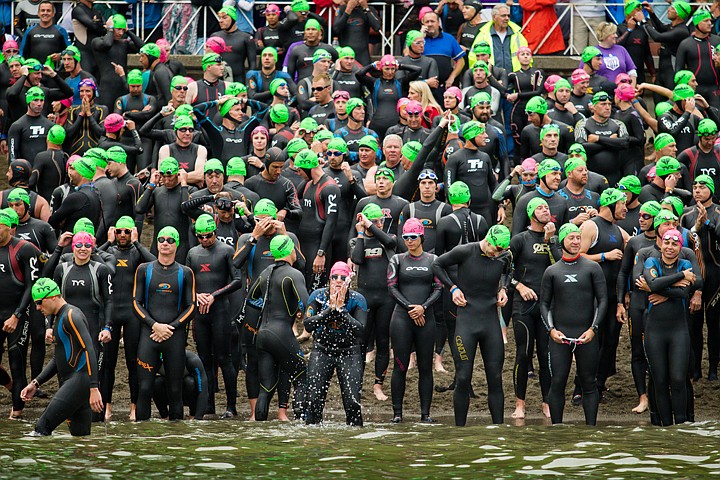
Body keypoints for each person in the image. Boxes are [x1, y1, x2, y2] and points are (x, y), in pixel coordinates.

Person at [433, 225, 512, 426]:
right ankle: (459, 432)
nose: (495, 254)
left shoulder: (504, 256)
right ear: (487, 239)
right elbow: (437, 265)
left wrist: (503, 289)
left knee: (495, 379)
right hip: (466, 324)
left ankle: (499, 432)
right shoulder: (465, 251)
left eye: (500, 252)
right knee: (463, 378)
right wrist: (452, 288)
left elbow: (509, 272)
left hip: (490, 324)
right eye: (494, 249)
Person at [233, 200, 304, 421]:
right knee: (253, 360)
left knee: (282, 358)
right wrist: (254, 236)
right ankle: (255, 412)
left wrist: (285, 232)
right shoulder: (247, 238)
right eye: (259, 220)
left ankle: (282, 411)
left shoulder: (287, 239)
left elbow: (300, 264)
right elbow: (236, 264)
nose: (265, 225)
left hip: (279, 307)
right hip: (255, 310)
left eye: (268, 220)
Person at [540, 223, 608, 425]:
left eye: (578, 238)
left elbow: (603, 301)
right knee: (558, 382)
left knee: (588, 383)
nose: (576, 241)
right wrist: (551, 330)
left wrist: (593, 329)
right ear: (562, 241)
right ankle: (557, 430)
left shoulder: (592, 268)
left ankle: (591, 430)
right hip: (560, 336)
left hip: (586, 334)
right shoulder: (552, 271)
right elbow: (544, 304)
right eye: (571, 238)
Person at [21, 278, 102, 435]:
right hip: (74, 383)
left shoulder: (71, 316)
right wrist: (36, 383)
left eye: (39, 302)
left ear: (52, 296)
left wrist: (94, 388)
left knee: (40, 430)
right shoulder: (60, 317)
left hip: (78, 381)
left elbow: (89, 350)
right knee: (80, 439)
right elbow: (57, 359)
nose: (37, 308)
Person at [133, 226, 196, 421]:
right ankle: (143, 438)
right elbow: (136, 302)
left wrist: (171, 327)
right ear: (156, 243)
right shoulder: (144, 269)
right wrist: (155, 325)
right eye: (161, 240)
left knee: (175, 388)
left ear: (177, 244)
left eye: (170, 240)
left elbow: (191, 306)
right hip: (149, 335)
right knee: (144, 388)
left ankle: (175, 439)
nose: (165, 244)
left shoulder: (185, 272)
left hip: (173, 337)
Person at [97, 217, 155, 421]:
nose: (122, 235)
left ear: (133, 233)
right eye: (119, 231)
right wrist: (108, 241)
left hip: (131, 315)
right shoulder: (108, 252)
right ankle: (107, 407)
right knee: (108, 365)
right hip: (112, 313)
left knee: (132, 363)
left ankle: (133, 407)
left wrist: (137, 242)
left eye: (127, 232)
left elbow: (153, 262)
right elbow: (92, 254)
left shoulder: (136, 253)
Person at [246, 234, 309, 421]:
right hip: (281, 332)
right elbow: (307, 304)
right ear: (289, 250)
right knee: (300, 374)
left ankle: (260, 430)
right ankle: (302, 423)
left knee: (266, 387)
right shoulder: (294, 274)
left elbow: (251, 298)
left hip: (262, 334)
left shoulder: (265, 272)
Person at [510, 198, 562, 419]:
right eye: (540, 208)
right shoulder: (520, 239)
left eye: (547, 208)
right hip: (523, 305)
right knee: (523, 354)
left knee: (545, 355)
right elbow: (504, 270)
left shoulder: (555, 239)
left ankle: (546, 402)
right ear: (531, 213)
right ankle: (520, 404)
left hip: (546, 305)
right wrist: (519, 286)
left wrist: (550, 242)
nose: (545, 211)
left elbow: (558, 265)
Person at [186, 214, 242, 418]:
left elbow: (237, 281)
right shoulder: (193, 253)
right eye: (200, 237)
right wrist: (196, 295)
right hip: (200, 315)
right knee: (204, 360)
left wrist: (213, 296)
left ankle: (231, 406)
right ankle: (208, 405)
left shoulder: (226, 251)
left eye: (208, 236)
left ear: (214, 233)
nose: (204, 240)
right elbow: (187, 283)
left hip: (220, 312)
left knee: (224, 359)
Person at [387, 218, 442, 423]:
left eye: (413, 237)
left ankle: (425, 415)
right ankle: (397, 414)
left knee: (425, 368)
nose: (409, 241)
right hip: (402, 318)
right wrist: (411, 308)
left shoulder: (433, 260)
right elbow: (391, 286)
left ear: (421, 238)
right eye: (406, 237)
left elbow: (439, 288)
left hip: (425, 318)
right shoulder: (397, 260)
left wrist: (423, 307)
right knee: (400, 366)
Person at [642, 228, 697, 425]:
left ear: (680, 247)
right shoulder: (652, 261)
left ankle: (681, 428)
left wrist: (661, 289)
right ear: (661, 244)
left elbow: (684, 294)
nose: (670, 247)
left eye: (675, 244)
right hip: (655, 331)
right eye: (667, 243)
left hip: (678, 331)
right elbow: (653, 283)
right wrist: (679, 278)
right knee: (660, 381)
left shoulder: (686, 262)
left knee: (678, 379)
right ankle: (665, 429)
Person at [579, 188, 630, 399]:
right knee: (592, 341)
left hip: (613, 295)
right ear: (609, 205)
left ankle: (598, 386)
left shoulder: (618, 230)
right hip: (591, 294)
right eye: (622, 204)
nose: (626, 208)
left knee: (611, 342)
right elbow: (578, 256)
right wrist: (604, 255)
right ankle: (579, 388)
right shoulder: (591, 226)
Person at [304, 261, 367, 426]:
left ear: (349, 281)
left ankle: (354, 438)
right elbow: (308, 324)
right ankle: (312, 437)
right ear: (329, 280)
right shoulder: (317, 295)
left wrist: (342, 310)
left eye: (343, 277)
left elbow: (361, 330)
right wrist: (329, 310)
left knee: (352, 402)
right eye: (335, 277)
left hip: (349, 352)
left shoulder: (357, 299)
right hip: (322, 350)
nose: (338, 280)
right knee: (314, 400)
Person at [616, 200, 662, 413]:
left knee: (656, 350)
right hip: (637, 302)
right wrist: (620, 300)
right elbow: (624, 273)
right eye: (640, 216)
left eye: (646, 216)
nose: (640, 219)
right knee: (637, 351)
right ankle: (642, 397)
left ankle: (657, 393)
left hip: (658, 302)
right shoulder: (634, 242)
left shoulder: (667, 243)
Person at [350, 203, 398, 401]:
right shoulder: (355, 241)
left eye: (379, 222)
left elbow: (389, 241)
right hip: (364, 298)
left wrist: (372, 226)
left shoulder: (389, 239)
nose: (377, 225)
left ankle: (378, 385)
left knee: (383, 342)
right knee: (360, 343)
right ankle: (357, 384)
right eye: (374, 221)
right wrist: (362, 233)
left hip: (386, 298)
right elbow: (357, 259)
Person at [0, 208, 41, 420]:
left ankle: (16, 415)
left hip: (18, 315)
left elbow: (31, 286)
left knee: (17, 364)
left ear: (10, 228)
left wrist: (16, 315)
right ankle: (10, 387)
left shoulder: (24, 249)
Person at [681, 175, 720, 381]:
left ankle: (713, 367)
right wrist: (696, 225)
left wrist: (708, 225)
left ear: (711, 190)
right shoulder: (686, 214)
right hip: (694, 274)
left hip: (715, 275)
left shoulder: (718, 212)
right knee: (694, 324)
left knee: (714, 323)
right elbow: (680, 241)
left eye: (702, 187)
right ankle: (696, 368)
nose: (697, 190)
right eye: (695, 186)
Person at [294, 149, 341, 289]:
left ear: (308, 169)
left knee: (315, 290)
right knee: (303, 286)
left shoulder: (330, 187)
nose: (298, 174)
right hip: (304, 245)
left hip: (317, 247)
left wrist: (321, 253)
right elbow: (297, 194)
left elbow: (331, 223)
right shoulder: (309, 183)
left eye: (299, 170)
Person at [135, 158, 193, 263]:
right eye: (163, 177)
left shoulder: (188, 190)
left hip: (180, 248)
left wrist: (184, 183)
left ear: (177, 174)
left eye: (170, 176)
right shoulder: (157, 192)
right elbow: (139, 209)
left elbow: (186, 209)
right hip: (158, 245)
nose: (166, 180)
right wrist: (151, 185)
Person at [444, 121, 498, 225]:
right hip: (463, 212)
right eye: (482, 133)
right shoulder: (455, 158)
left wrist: (500, 206)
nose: (486, 136)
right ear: (471, 135)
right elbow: (449, 187)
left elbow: (493, 184)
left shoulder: (485, 157)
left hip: (485, 210)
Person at [355, 55, 421, 138]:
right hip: (377, 125)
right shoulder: (374, 83)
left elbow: (418, 70)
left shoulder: (401, 83)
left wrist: (400, 66)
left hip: (396, 127)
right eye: (387, 69)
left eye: (392, 69)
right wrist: (372, 66)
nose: (390, 72)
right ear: (381, 69)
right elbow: (358, 74)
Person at [575, 91, 630, 186]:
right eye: (603, 104)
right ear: (593, 107)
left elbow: (625, 143)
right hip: (591, 177)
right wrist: (611, 141)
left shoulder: (618, 124)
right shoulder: (583, 124)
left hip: (614, 176)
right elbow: (582, 148)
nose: (608, 107)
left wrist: (599, 139)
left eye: (609, 104)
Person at [639, 0, 690, 92]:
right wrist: (652, 13)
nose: (668, 9)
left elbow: (657, 37)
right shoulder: (672, 27)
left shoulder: (682, 31)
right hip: (661, 74)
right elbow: (661, 28)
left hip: (671, 75)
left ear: (678, 13)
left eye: (672, 8)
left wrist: (643, 21)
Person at [676, 10, 720, 109]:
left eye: (710, 20)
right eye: (705, 21)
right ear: (697, 23)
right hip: (695, 90)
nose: (709, 23)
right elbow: (679, 70)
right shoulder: (685, 44)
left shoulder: (717, 41)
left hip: (715, 90)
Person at [152, 350, 208, 421]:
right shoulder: (156, 360)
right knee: (156, 383)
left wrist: (198, 417)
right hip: (170, 392)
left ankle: (192, 414)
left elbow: (203, 390)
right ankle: (164, 415)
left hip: (187, 393)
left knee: (190, 382)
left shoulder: (191, 359)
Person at [8, 86, 54, 162]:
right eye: (35, 100)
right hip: (26, 170)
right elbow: (13, 153)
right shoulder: (17, 126)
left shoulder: (50, 125)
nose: (39, 104)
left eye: (41, 100)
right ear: (28, 101)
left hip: (45, 171)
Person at [212, 5, 256, 82]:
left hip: (239, 80)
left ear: (233, 19)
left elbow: (252, 64)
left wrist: (250, 82)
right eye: (220, 18)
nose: (220, 20)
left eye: (225, 17)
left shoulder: (246, 37)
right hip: (218, 81)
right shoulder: (215, 37)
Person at [334, 0, 382, 67]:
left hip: (363, 54)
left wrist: (366, 8)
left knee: (365, 75)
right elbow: (336, 29)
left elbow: (377, 27)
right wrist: (348, 11)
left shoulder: (369, 9)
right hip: (346, 53)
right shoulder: (341, 9)